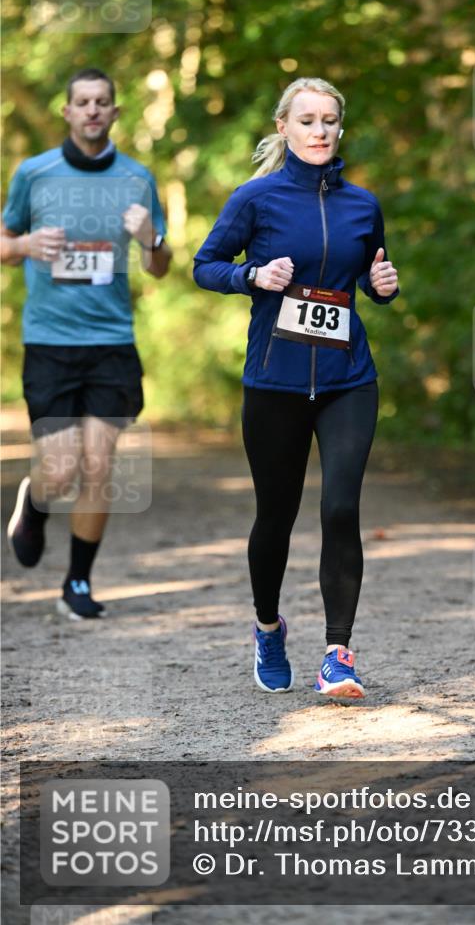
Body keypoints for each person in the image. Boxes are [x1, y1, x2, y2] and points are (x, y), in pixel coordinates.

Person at [194, 77, 399, 699]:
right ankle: (267, 627)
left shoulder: (362, 204)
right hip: (275, 380)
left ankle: (338, 655)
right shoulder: (255, 199)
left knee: (340, 507)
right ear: (283, 127)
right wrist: (254, 274)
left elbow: (368, 277)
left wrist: (383, 285)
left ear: (340, 129)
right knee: (275, 517)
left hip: (348, 380)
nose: (319, 130)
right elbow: (205, 266)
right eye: (306, 119)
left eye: (329, 120)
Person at [2, 68, 172, 618]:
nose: (93, 110)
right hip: (50, 342)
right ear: (68, 112)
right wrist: (26, 242)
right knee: (59, 470)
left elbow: (161, 266)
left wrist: (152, 239)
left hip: (111, 342)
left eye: (103, 102)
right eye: (83, 102)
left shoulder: (138, 179)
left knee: (98, 466)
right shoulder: (35, 173)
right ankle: (35, 499)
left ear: (116, 113)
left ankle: (77, 583)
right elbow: (4, 243)